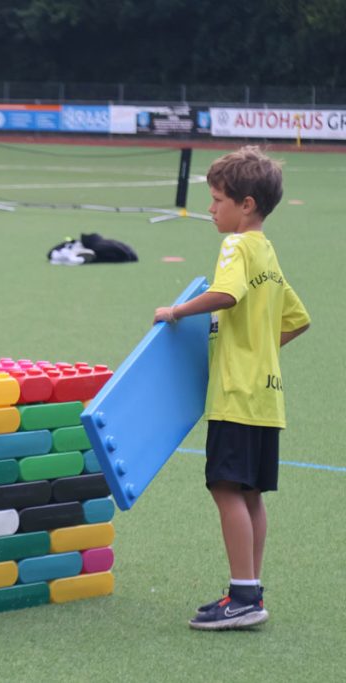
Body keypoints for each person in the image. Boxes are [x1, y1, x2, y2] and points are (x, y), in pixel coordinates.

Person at [152, 146, 310, 631]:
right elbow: (298, 320)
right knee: (250, 493)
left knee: (224, 488)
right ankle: (251, 588)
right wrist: (259, 347)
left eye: (217, 200)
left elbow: (228, 294)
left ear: (246, 204)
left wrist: (177, 311)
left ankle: (242, 597)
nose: (210, 209)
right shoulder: (267, 250)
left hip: (236, 394)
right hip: (266, 394)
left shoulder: (236, 247)